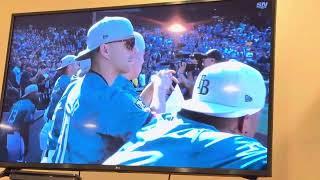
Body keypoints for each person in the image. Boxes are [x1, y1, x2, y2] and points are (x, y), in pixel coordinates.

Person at [104, 60, 268, 170]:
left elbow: (143, 107)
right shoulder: (238, 149)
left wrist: (157, 87)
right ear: (244, 122)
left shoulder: (159, 123)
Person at [52, 17, 174, 164]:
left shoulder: (79, 84)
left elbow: (130, 110)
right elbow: (158, 133)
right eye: (129, 44)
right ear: (106, 50)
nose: (135, 51)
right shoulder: (109, 97)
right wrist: (160, 89)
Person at [123, 32, 178, 113]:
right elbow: (156, 121)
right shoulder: (118, 93)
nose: (143, 61)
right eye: (142, 56)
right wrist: (161, 89)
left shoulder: (121, 85)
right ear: (132, 56)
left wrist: (154, 84)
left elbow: (139, 106)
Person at [40, 55, 80, 162]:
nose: (78, 67)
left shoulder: (62, 79)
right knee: (49, 164)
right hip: (53, 130)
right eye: (77, 64)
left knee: (47, 161)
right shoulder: (67, 81)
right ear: (70, 66)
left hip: (50, 127)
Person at [4, 84, 40, 162]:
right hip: (17, 137)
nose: (38, 94)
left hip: (8, 135)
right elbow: (24, 127)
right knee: (19, 162)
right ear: (31, 94)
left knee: (12, 161)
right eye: (36, 92)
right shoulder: (30, 105)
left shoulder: (17, 103)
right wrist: (26, 143)